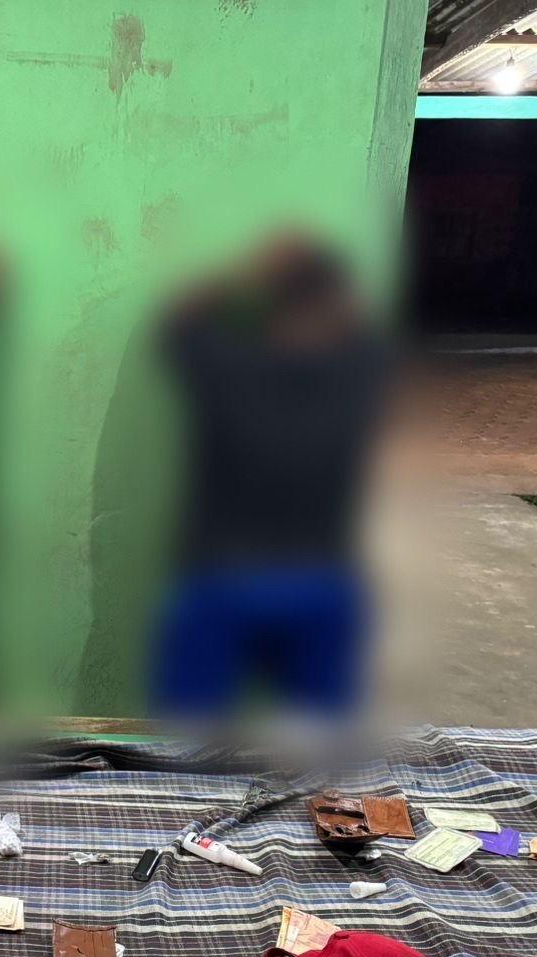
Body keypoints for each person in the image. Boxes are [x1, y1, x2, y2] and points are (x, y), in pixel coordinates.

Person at [150, 233, 389, 719]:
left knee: (186, 741)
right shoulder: (360, 373)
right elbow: (360, 326)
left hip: (219, 581)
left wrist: (242, 277)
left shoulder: (225, 367)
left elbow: (177, 322)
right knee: (320, 745)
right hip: (319, 583)